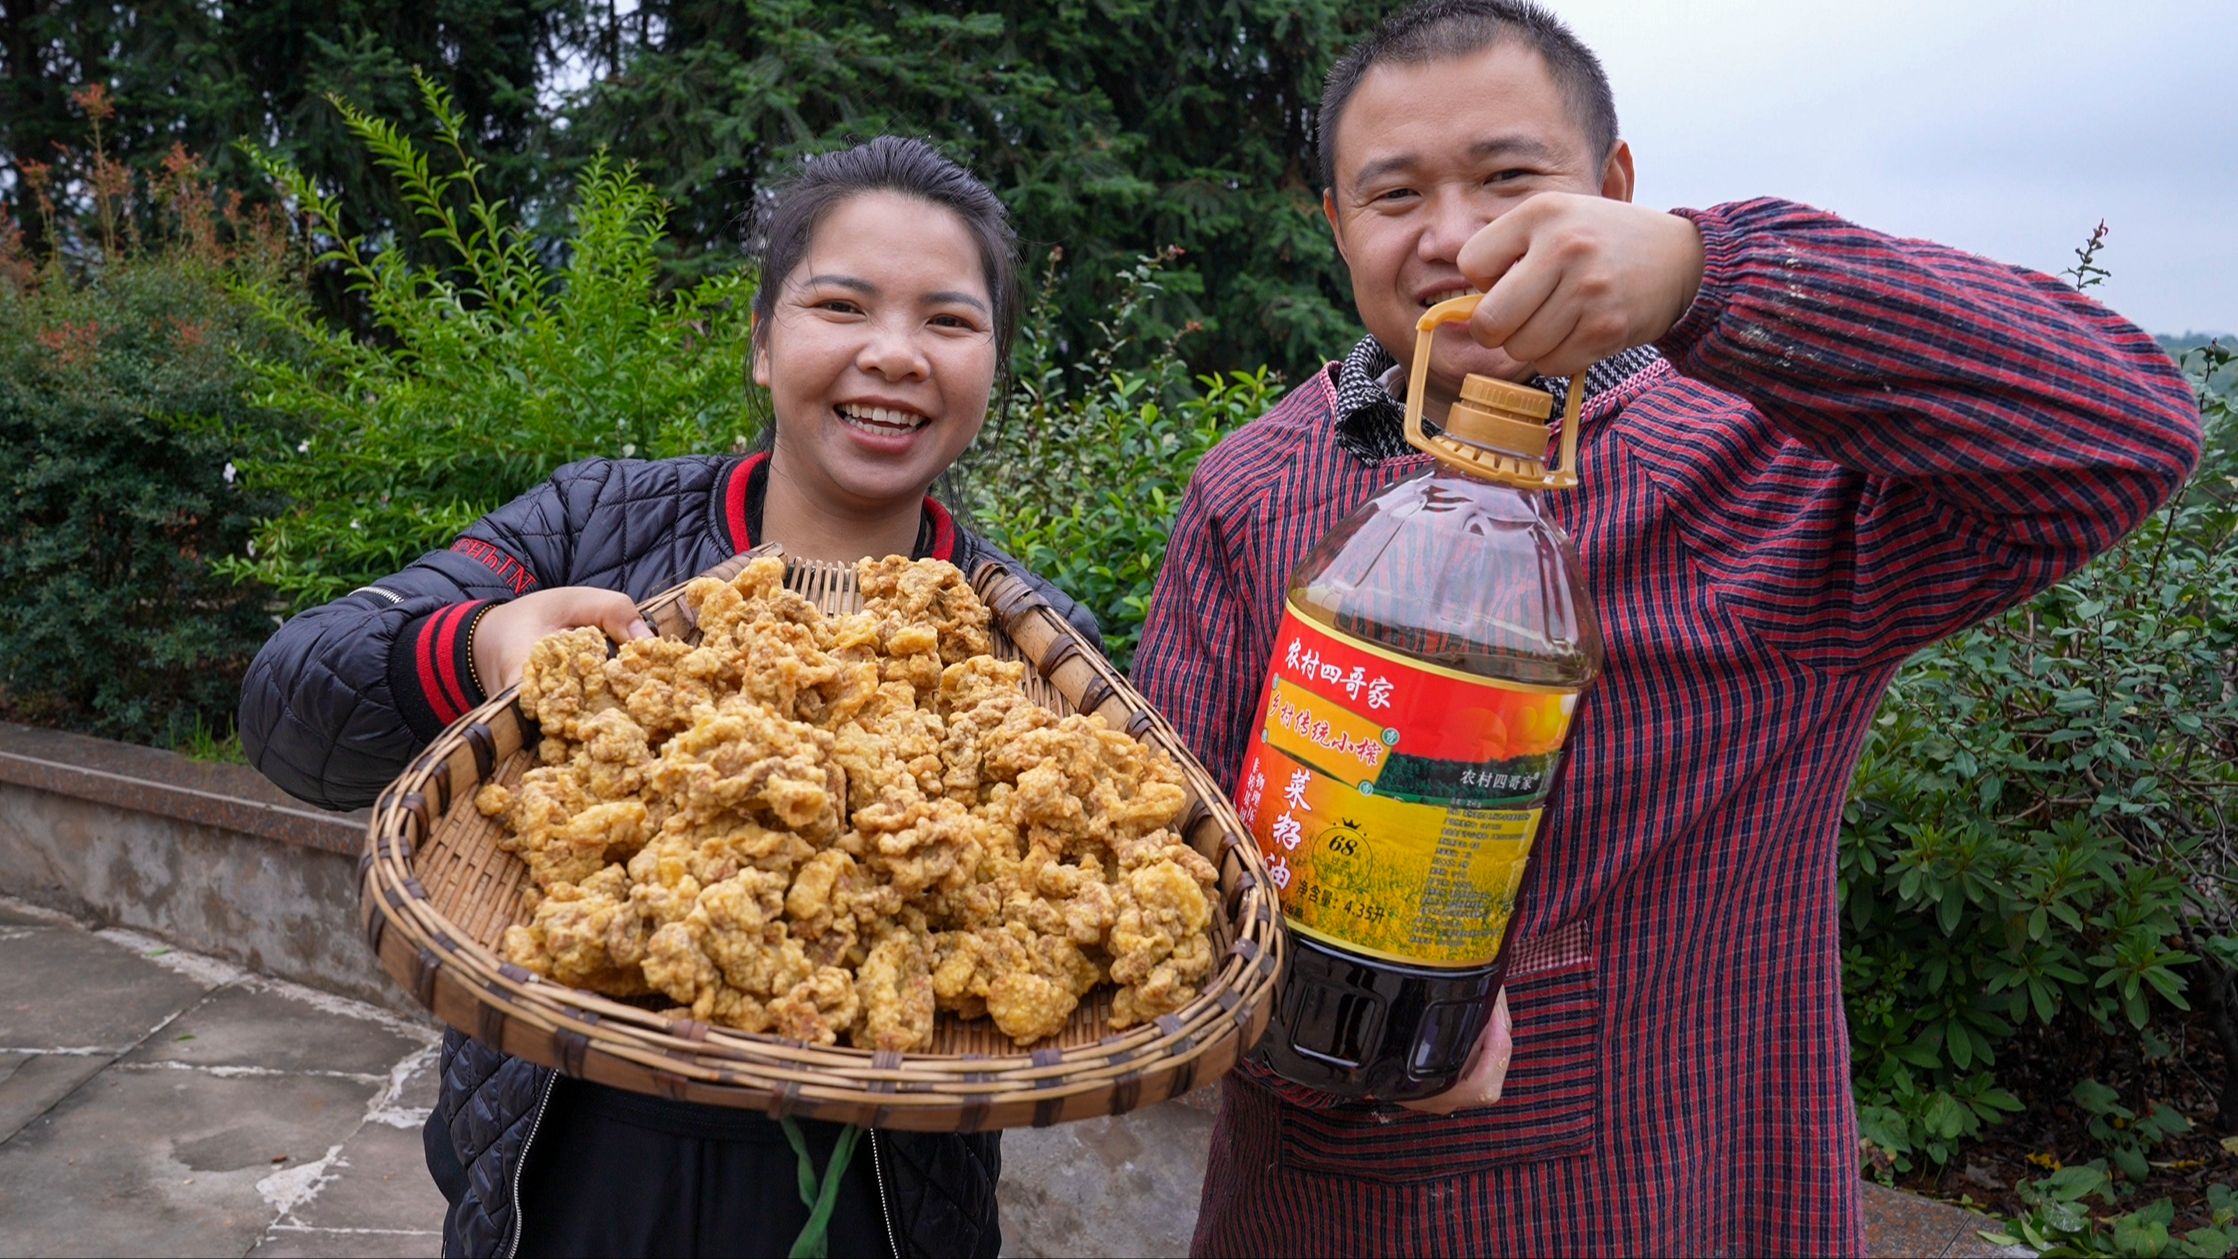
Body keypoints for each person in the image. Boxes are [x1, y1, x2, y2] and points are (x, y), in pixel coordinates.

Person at [1132, 2, 2203, 1254]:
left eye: (1510, 178)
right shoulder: (1252, 492)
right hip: (1311, 1211)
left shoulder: (1769, 465)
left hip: (1677, 1198)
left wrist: (1706, 273)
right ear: (1336, 224)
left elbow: (2126, 431)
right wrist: (1296, 1030)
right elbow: (1157, 873)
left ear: (1615, 187)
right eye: (1394, 195)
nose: (1459, 236)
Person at [240, 135, 1100, 1259]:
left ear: (993, 366)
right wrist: (484, 643)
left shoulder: (1033, 646)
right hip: (566, 1177)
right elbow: (291, 702)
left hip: (875, 1210)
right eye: (840, 305)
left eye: (948, 320)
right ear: (759, 342)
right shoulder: (590, 526)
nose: (894, 354)